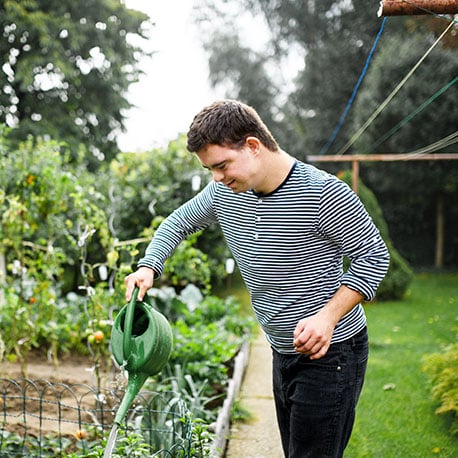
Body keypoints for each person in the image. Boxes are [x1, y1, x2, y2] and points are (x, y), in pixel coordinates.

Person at [124, 99, 390, 458]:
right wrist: (148, 265)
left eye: (221, 165)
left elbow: (373, 256)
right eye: (210, 170)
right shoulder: (223, 193)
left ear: (252, 146)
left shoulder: (322, 192)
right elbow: (178, 222)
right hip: (282, 349)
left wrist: (327, 318)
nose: (216, 177)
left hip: (333, 353)